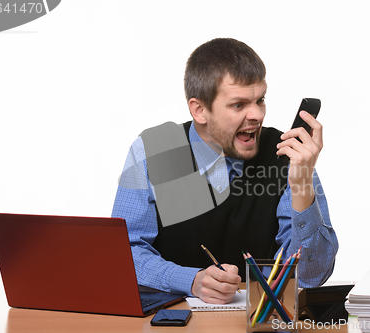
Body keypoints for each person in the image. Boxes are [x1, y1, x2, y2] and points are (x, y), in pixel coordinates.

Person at [112, 38, 338, 304]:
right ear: (199, 110)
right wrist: (191, 281)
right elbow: (124, 252)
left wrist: (301, 184)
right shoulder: (154, 151)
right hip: (172, 319)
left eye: (260, 100)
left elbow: (312, 276)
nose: (256, 115)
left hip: (257, 321)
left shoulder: (289, 156)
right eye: (238, 105)